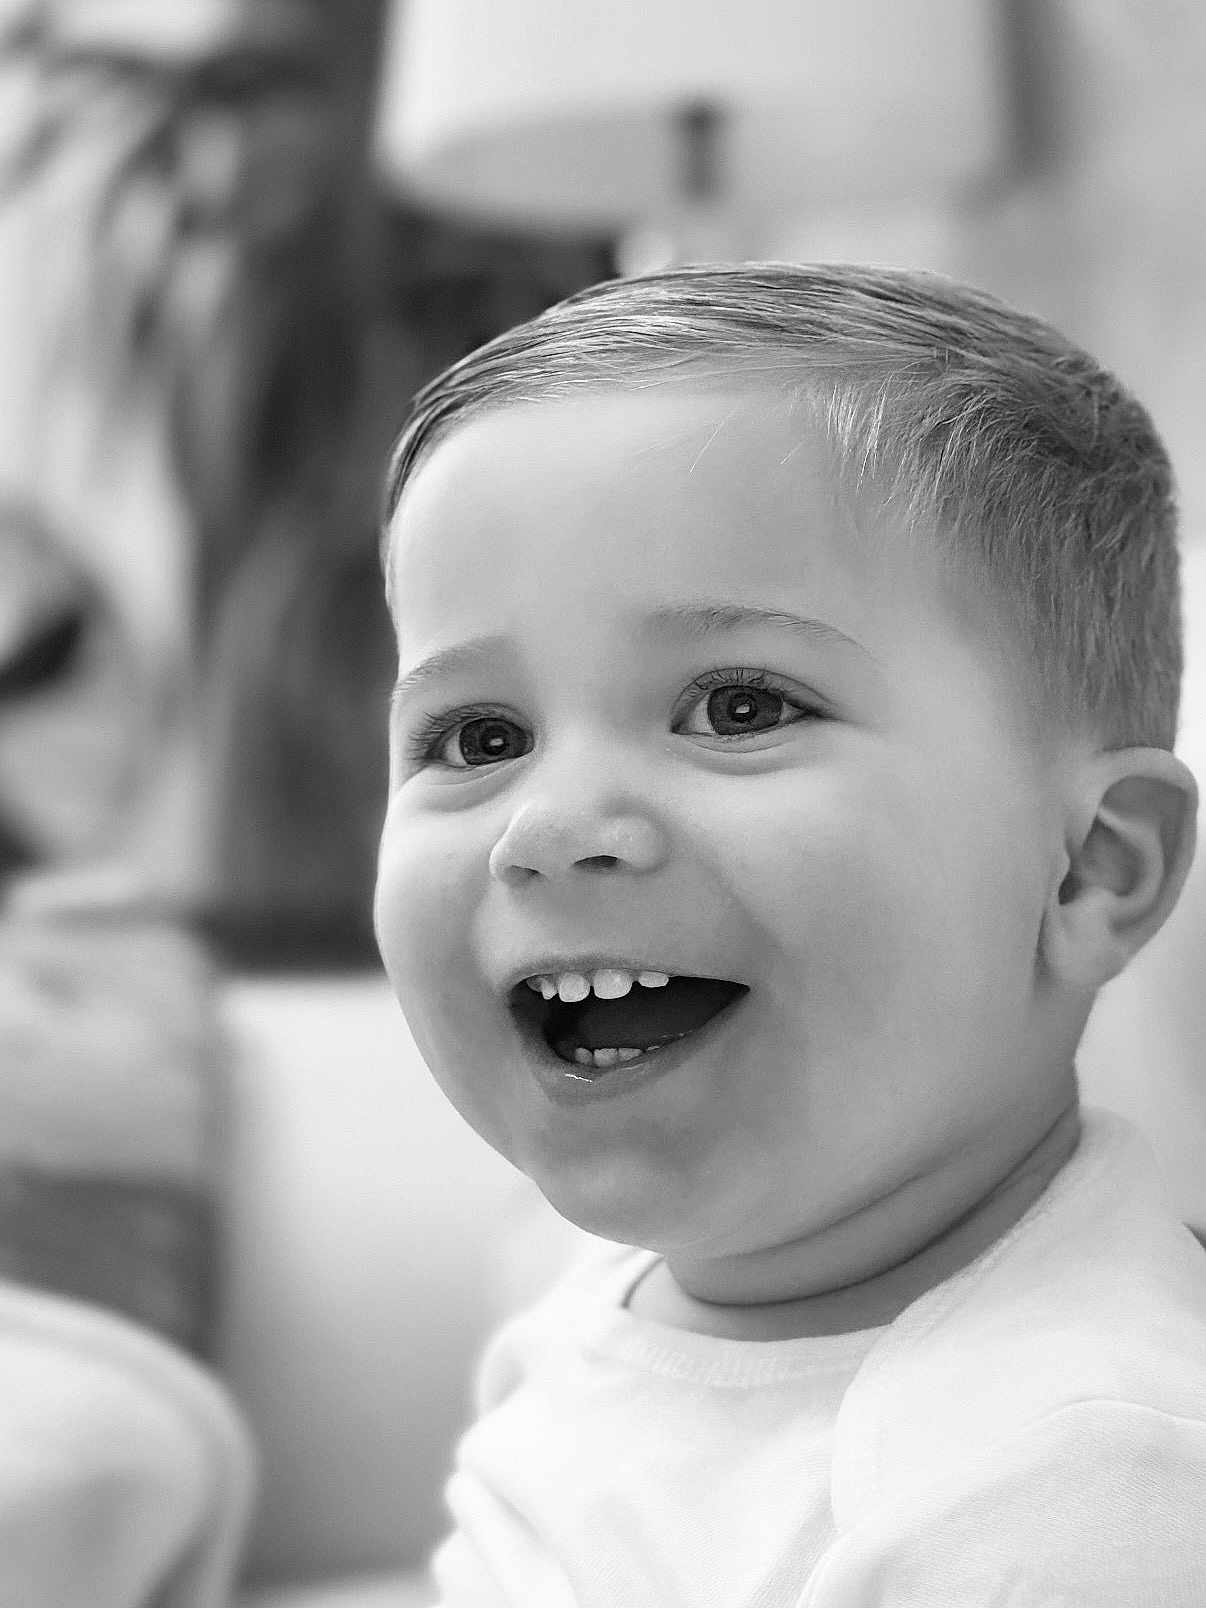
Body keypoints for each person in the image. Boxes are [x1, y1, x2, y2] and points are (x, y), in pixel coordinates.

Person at [373, 261, 1206, 1606]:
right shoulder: (584, 1317)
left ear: (1085, 871)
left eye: (740, 707)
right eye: (476, 738)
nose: (551, 822)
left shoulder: (1078, 1488)